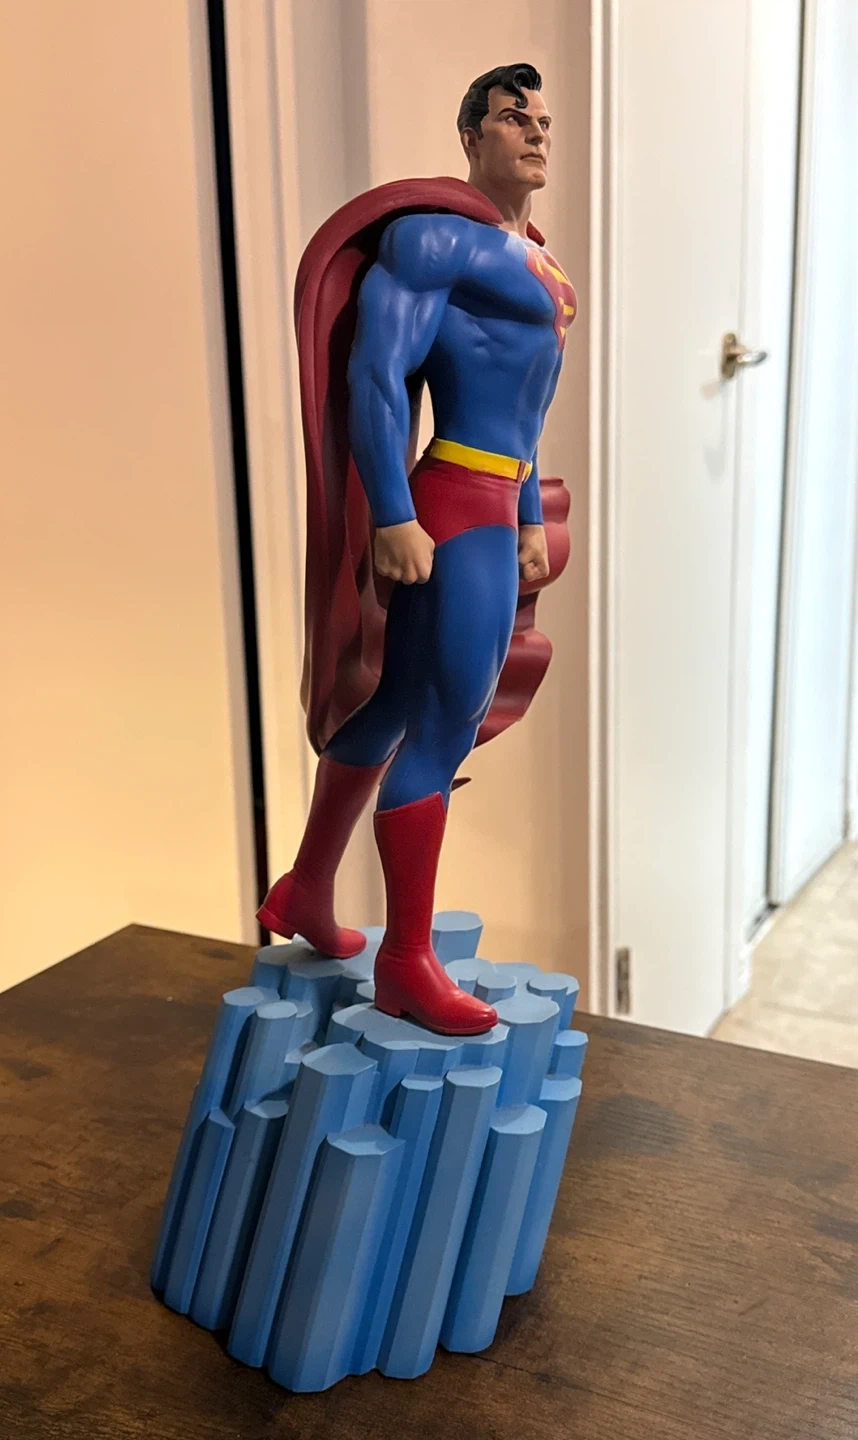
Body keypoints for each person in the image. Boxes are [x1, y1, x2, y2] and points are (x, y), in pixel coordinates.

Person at [259, 62, 576, 1036]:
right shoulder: (434, 240)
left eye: (542, 119)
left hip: (495, 502)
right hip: (451, 506)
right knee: (443, 726)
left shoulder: (537, 260)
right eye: (512, 117)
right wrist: (394, 515)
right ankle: (404, 961)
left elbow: (526, 406)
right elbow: (377, 374)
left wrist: (531, 516)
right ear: (472, 137)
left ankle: (306, 889)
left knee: (398, 701)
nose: (535, 131)